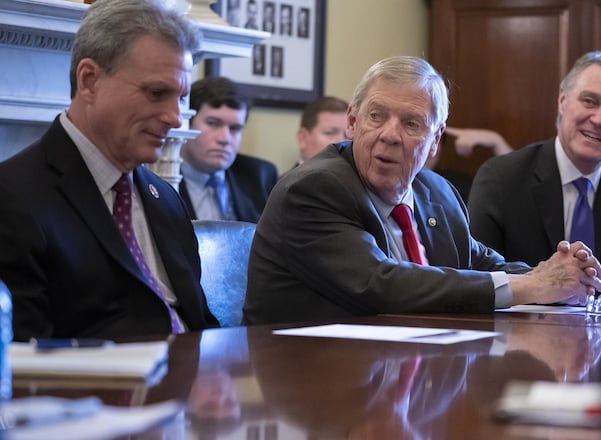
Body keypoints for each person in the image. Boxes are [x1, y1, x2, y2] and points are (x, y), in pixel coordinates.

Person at [242, 55, 601, 325]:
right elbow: (381, 283)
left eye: (412, 123)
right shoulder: (313, 189)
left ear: (435, 142)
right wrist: (532, 287)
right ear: (352, 123)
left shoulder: (436, 191)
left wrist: (558, 278)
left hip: (405, 370)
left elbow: (477, 262)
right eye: (376, 116)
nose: (389, 134)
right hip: (305, 382)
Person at [0, 0, 218, 341]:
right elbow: (23, 359)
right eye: (157, 93)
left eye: (180, 98)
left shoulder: (166, 201)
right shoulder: (12, 197)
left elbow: (202, 324)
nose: (175, 118)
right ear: (89, 80)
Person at [467, 50, 601, 293]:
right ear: (562, 101)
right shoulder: (501, 179)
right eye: (589, 101)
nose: (600, 119)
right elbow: (479, 276)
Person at [179, 76, 278, 223]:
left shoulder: (260, 175)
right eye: (213, 123)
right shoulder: (159, 179)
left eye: (235, 128)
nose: (224, 139)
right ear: (186, 124)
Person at [296, 95, 349, 165]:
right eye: (330, 133)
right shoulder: (291, 176)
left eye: (348, 135)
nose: (342, 142)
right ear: (303, 138)